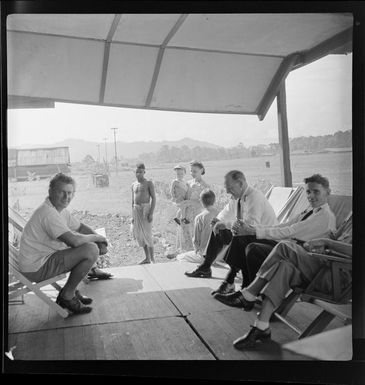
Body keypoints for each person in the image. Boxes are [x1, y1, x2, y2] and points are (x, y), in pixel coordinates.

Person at [213, 174, 337, 306]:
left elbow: (289, 231)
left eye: (316, 191)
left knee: (253, 248)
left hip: (296, 256)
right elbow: (283, 226)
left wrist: (253, 231)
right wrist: (252, 229)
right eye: (308, 191)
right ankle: (236, 284)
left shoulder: (324, 217)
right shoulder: (311, 210)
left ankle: (248, 292)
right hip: (288, 245)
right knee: (242, 238)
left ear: (328, 192)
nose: (311, 196)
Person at [229, 224, 352, 350]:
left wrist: (327, 242)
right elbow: (336, 241)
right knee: (285, 266)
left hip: (337, 281)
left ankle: (249, 294)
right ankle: (262, 327)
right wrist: (324, 246)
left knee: (284, 246)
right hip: (325, 268)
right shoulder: (350, 220)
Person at [18, 173, 112, 315]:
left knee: (88, 245)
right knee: (90, 250)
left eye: (70, 193)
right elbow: (74, 241)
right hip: (36, 268)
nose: (66, 197)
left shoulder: (59, 210)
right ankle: (67, 296)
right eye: (62, 192)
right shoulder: (48, 213)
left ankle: (71, 290)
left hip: (41, 261)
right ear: (50, 191)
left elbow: (80, 227)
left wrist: (99, 239)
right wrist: (97, 239)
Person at [185, 170, 277, 286]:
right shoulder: (237, 197)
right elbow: (226, 212)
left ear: (241, 183)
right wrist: (217, 221)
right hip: (250, 236)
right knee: (219, 230)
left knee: (239, 236)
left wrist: (225, 224)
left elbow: (250, 226)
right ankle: (206, 267)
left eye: (230, 188)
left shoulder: (254, 197)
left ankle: (230, 279)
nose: (228, 191)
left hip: (266, 239)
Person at [175, 189, 219, 263]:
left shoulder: (200, 217)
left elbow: (196, 241)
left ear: (201, 202)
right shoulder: (220, 214)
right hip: (218, 255)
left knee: (180, 257)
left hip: (205, 255)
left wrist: (197, 251)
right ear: (214, 200)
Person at [176, 161, 210, 252]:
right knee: (185, 235)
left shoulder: (205, 186)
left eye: (194, 171)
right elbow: (184, 197)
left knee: (194, 236)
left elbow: (203, 204)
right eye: (191, 171)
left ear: (201, 170)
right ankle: (184, 255)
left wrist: (189, 202)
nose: (192, 173)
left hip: (196, 214)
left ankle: (194, 255)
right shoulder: (188, 183)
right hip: (185, 213)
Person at [131, 162, 156, 264]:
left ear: (144, 172)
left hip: (145, 209)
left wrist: (151, 213)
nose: (139, 174)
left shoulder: (148, 183)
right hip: (136, 210)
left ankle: (153, 259)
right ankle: (147, 258)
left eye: (141, 172)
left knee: (147, 234)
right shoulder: (133, 184)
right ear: (134, 172)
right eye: (137, 172)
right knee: (140, 235)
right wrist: (133, 215)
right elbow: (132, 201)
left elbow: (154, 198)